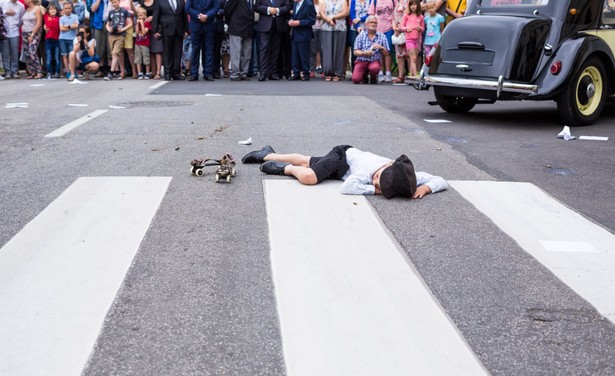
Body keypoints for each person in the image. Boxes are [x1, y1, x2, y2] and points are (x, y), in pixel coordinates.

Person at [242, 145, 448, 199]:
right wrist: (375, 190)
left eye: (380, 184)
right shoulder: (367, 171)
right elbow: (347, 187)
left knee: (306, 161)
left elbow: (441, 180)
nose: (375, 182)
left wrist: (427, 188)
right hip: (343, 158)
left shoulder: (406, 174)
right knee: (308, 176)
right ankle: (283, 168)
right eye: (377, 179)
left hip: (345, 169)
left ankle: (267, 154)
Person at [254, 0, 290, 81]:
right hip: (265, 26)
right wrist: (268, 9)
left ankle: (272, 73)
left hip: (278, 25)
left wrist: (277, 10)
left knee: (275, 50)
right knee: (264, 48)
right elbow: (256, 7)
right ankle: (263, 73)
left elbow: (287, 7)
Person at [152, 0, 188, 80]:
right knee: (167, 51)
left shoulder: (181, 1)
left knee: (177, 51)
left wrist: (186, 29)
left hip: (179, 28)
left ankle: (176, 72)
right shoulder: (160, 1)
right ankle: (167, 73)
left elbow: (184, 15)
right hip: (166, 28)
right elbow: (156, 15)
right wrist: (154, 30)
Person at [351, 14, 388, 84]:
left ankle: (373, 76)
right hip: (361, 60)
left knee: (374, 68)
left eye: (375, 23)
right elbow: (355, 52)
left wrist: (381, 48)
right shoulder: (360, 36)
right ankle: (364, 75)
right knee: (355, 80)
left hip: (374, 61)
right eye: (371, 22)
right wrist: (364, 53)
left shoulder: (382, 36)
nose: (373, 24)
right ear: (366, 24)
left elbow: (387, 54)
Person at [185, 0, 217, 81]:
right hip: (196, 25)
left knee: (208, 50)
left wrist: (206, 16)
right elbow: (188, 8)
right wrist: (199, 16)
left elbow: (216, 8)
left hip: (208, 24)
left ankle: (208, 73)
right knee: (195, 50)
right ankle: (194, 73)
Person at [224, 0, 253, 81]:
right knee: (236, 51)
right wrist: (230, 21)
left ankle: (244, 72)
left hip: (248, 27)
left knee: (246, 52)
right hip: (236, 26)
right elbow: (227, 9)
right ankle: (235, 73)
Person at [319, 0, 347, 81]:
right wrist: (328, 20)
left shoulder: (343, 1)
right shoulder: (325, 1)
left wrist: (334, 17)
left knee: (339, 51)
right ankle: (328, 72)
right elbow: (321, 12)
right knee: (327, 50)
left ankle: (337, 73)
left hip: (340, 27)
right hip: (326, 27)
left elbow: (345, 12)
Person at [288, 0, 315, 80]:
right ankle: (296, 73)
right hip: (295, 33)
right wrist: (291, 21)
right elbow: (294, 16)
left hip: (304, 34)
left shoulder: (308, 4)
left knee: (304, 55)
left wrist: (299, 22)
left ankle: (306, 73)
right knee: (294, 54)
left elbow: (312, 20)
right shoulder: (295, 4)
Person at [105, 0, 132, 80]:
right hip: (111, 35)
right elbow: (107, 23)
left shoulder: (124, 11)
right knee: (114, 53)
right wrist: (108, 28)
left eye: (115, 2)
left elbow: (130, 23)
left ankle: (111, 72)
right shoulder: (111, 12)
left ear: (119, 2)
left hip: (120, 35)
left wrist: (123, 29)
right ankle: (121, 71)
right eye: (112, 3)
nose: (114, 4)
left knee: (115, 53)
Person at [1, 0, 25, 79]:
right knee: (5, 53)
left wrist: (17, 26)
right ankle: (7, 71)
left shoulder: (21, 6)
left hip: (15, 31)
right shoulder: (2, 2)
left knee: (15, 53)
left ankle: (14, 71)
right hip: (4, 31)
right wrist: (5, 12)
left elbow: (21, 19)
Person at [22, 0, 43, 79]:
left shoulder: (37, 8)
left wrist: (32, 35)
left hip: (34, 32)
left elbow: (39, 23)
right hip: (25, 32)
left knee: (32, 52)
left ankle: (39, 71)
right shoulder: (26, 9)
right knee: (27, 53)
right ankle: (32, 71)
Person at [400, 0, 422, 77]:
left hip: (418, 40)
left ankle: (411, 75)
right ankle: (415, 76)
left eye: (415, 5)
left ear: (418, 6)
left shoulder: (420, 17)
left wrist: (420, 28)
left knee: (414, 59)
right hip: (409, 39)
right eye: (411, 5)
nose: (413, 6)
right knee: (414, 57)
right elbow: (401, 27)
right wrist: (407, 29)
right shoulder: (406, 16)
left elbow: (423, 29)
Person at [391, 0, 409, 83]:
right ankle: (400, 76)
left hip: (407, 30)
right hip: (397, 32)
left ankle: (410, 76)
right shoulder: (397, 2)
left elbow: (407, 16)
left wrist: (401, 28)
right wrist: (394, 27)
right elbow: (393, 18)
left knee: (408, 55)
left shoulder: (408, 2)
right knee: (399, 55)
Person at [59, 1, 79, 76]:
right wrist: (71, 27)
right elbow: (61, 28)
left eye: (69, 8)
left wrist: (68, 26)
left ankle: (72, 70)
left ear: (71, 9)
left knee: (72, 55)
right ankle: (68, 71)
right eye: (65, 8)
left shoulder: (75, 16)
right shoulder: (61, 18)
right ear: (63, 9)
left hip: (72, 38)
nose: (67, 10)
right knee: (64, 55)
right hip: (62, 38)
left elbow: (76, 25)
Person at [348, 0, 368, 70]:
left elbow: (371, 13)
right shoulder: (354, 1)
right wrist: (357, 26)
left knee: (366, 49)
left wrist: (360, 19)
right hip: (354, 28)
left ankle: (365, 73)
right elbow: (352, 14)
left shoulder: (371, 1)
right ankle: (355, 71)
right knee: (354, 49)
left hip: (367, 28)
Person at [134, 6, 151, 78]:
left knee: (146, 58)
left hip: (145, 44)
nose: (140, 17)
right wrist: (138, 24)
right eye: (138, 16)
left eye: (141, 15)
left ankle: (147, 72)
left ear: (145, 15)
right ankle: (139, 73)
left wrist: (142, 24)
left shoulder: (147, 23)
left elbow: (144, 32)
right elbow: (137, 32)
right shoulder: (137, 23)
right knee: (138, 58)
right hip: (138, 43)